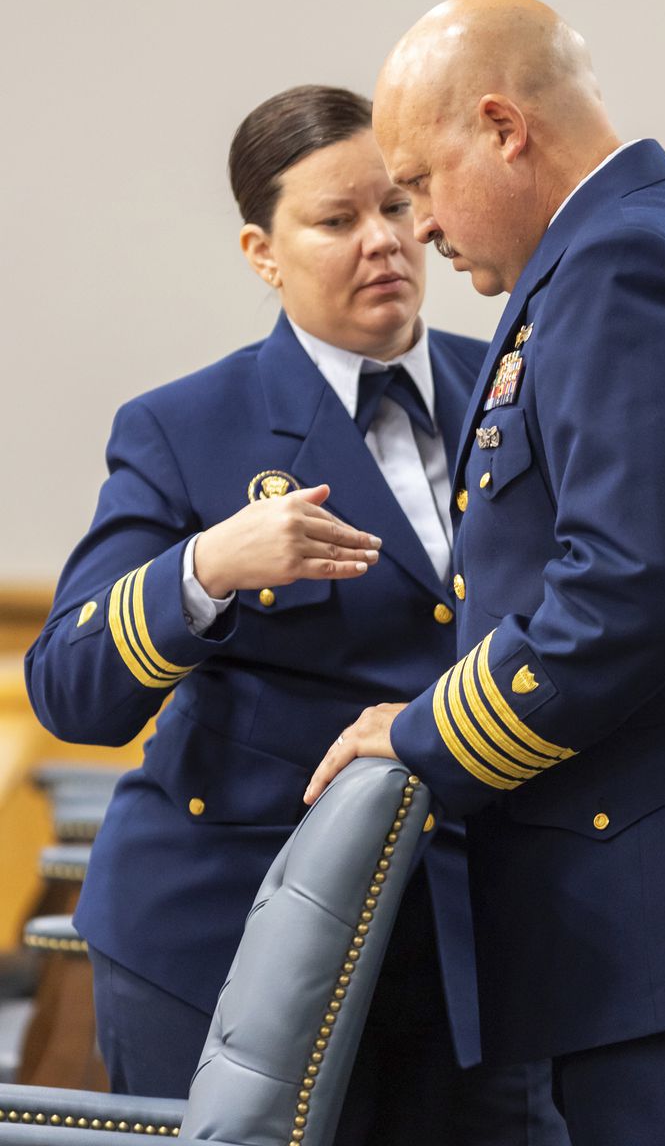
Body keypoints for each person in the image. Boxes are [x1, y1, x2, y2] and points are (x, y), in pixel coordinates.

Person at [25, 84, 568, 1145]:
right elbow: (67, 686)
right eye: (335, 220)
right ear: (261, 252)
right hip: (233, 925)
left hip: (475, 927)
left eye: (398, 205)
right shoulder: (187, 427)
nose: (384, 243)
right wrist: (204, 569)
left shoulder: (517, 382)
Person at [305, 0, 665, 1146]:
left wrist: (423, 731)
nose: (418, 226)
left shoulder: (626, 266)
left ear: (501, 126)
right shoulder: (658, 241)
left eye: (420, 182)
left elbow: (624, 592)